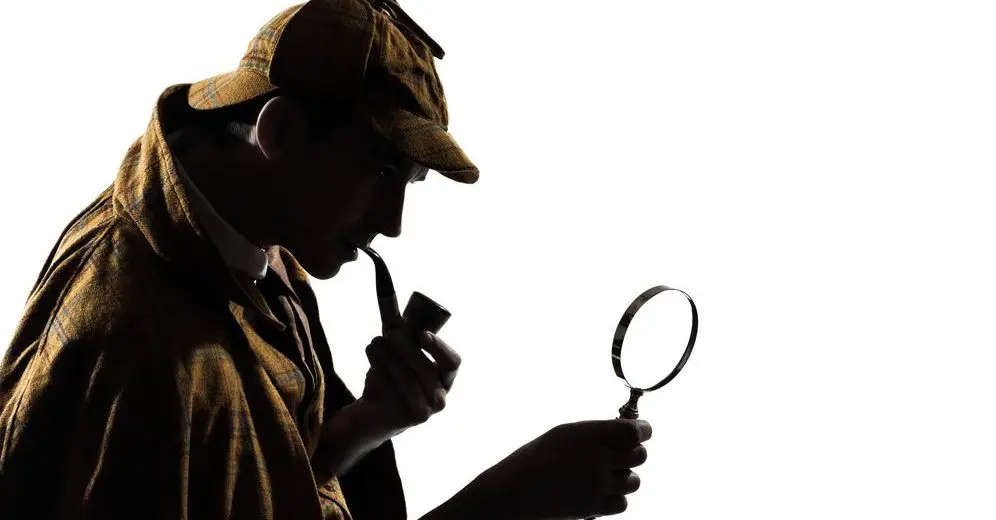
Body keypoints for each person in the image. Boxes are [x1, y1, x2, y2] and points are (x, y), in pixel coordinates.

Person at [0, 0, 652, 519]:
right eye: (381, 172)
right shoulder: (140, 352)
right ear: (280, 132)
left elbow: (254, 484)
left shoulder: (238, 237)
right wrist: (510, 499)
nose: (393, 225)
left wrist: (365, 425)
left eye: (409, 185)